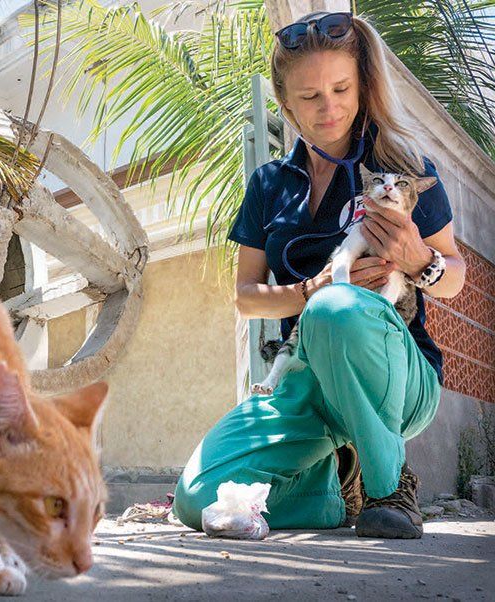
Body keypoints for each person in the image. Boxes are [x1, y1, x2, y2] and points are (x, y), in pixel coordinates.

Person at [172, 11, 466, 538]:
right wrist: (309, 290)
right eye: (309, 96)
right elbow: (247, 298)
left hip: (396, 379)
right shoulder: (268, 184)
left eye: (340, 88)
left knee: (336, 310)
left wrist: (420, 260)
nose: (327, 107)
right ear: (286, 103)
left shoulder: (399, 163)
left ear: (362, 85)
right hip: (306, 384)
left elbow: (456, 277)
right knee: (199, 499)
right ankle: (338, 491)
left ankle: (391, 484)